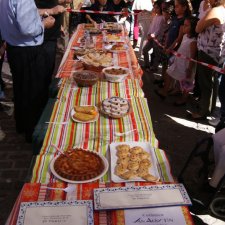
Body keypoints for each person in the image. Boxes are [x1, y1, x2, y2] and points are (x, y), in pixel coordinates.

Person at [0, 0, 55, 142]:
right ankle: (33, 132)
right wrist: (44, 24)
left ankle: (22, 125)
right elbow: (28, 29)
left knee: (21, 89)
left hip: (15, 48)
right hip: (27, 50)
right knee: (34, 92)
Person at [189, 0, 225, 120]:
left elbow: (198, 28)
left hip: (208, 51)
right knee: (212, 82)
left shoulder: (215, 10)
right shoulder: (222, 10)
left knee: (205, 83)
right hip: (216, 52)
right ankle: (209, 108)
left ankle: (203, 111)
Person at [155, 16, 198, 106]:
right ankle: (164, 92)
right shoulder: (185, 36)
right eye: (184, 25)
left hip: (186, 65)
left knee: (186, 83)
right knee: (168, 73)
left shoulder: (193, 41)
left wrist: (189, 69)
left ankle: (183, 99)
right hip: (178, 62)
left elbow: (192, 57)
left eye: (186, 25)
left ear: (193, 28)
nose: (183, 27)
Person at [156, 0, 192, 87]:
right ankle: (163, 79)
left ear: (184, 8)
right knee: (165, 63)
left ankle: (170, 86)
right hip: (168, 46)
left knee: (172, 67)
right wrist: (165, 45)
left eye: (177, 6)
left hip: (175, 49)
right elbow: (169, 32)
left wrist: (171, 48)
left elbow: (179, 38)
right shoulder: (175, 18)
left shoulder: (184, 20)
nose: (175, 8)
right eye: (175, 6)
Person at [142, 1, 165, 71]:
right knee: (145, 50)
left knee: (156, 54)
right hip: (151, 38)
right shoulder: (156, 16)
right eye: (154, 8)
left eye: (157, 8)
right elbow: (152, 26)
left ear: (161, 8)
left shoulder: (162, 18)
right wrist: (149, 34)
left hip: (157, 39)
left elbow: (158, 30)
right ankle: (147, 65)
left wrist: (152, 35)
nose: (155, 9)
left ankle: (154, 68)